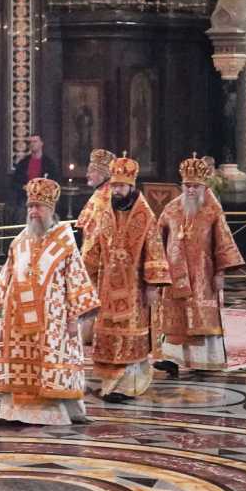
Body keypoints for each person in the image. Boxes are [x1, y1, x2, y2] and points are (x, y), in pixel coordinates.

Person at [0, 178, 99, 428]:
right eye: (30, 206)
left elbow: (76, 281)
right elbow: (7, 273)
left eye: (38, 206)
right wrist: (1, 297)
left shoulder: (65, 242)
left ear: (51, 208)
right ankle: (14, 412)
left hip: (53, 320)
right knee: (19, 365)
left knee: (50, 366)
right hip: (17, 319)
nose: (33, 212)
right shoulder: (20, 241)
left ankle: (51, 413)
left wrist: (74, 319)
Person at [81, 154, 170, 401]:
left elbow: (154, 249)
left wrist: (152, 286)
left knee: (130, 334)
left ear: (131, 186)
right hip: (107, 286)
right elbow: (94, 247)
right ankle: (110, 383)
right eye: (114, 185)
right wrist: (86, 275)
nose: (117, 190)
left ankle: (128, 385)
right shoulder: (105, 211)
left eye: (121, 186)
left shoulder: (145, 215)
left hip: (135, 288)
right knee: (110, 333)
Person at [157, 156, 245, 371]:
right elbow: (157, 240)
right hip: (174, 275)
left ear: (204, 187)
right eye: (187, 186)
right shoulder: (171, 208)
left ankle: (204, 360)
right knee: (175, 317)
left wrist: (220, 273)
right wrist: (158, 269)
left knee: (200, 316)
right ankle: (172, 359)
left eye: (195, 186)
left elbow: (223, 242)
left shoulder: (212, 210)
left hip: (203, 275)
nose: (190, 190)